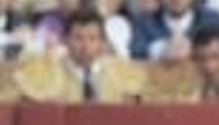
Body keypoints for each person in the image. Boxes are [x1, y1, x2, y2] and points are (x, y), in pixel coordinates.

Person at [11, 9, 145, 103]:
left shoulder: (119, 73)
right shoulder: (49, 73)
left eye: (92, 38)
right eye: (78, 38)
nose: (85, 45)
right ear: (65, 40)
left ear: (102, 43)